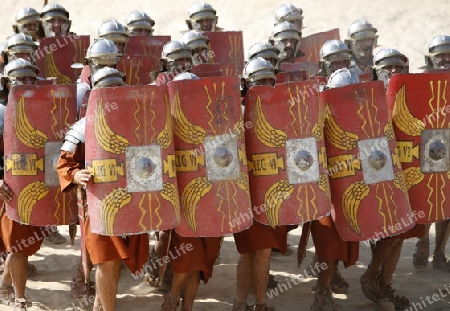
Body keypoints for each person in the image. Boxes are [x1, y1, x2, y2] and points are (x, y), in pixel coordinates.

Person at [57, 66, 149, 311]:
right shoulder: (83, 127)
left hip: (131, 203)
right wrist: (76, 174)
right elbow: (64, 163)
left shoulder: (140, 123)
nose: (114, 93)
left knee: (117, 262)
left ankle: (100, 304)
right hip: (98, 204)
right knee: (107, 261)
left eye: (117, 88)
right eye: (108, 89)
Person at [359, 48, 418, 310]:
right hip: (379, 170)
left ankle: (384, 283)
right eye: (388, 67)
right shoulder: (368, 97)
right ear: (377, 71)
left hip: (407, 169)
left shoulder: (412, 95)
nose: (394, 71)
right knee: (391, 230)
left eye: (398, 67)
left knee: (401, 232)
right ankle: (371, 275)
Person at [159, 71, 223, 311]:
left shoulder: (214, 121)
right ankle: (173, 296)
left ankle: (187, 307)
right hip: (182, 202)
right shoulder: (164, 121)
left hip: (210, 199)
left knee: (200, 261)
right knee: (186, 259)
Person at [0, 58, 53, 311]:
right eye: (19, 79)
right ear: (7, 83)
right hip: (8, 190)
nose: (25, 83)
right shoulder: (0, 114)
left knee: (24, 245)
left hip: (36, 187)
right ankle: (20, 297)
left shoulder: (47, 110)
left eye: (29, 78)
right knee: (17, 246)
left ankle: (3, 284)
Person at [231, 57, 283, 311]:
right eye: (259, 81)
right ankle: (250, 304)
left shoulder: (282, 110)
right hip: (245, 193)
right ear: (248, 84)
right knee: (253, 251)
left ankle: (245, 304)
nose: (265, 85)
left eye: (269, 80)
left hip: (271, 192)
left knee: (260, 251)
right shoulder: (238, 113)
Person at [310, 68, 360, 311]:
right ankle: (322, 290)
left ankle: (331, 278)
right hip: (325, 191)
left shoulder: (362, 116)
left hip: (349, 187)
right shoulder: (318, 116)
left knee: (342, 240)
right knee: (329, 243)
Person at [413, 35, 450, 271]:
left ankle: (439, 254)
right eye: (440, 56)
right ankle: (423, 243)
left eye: (449, 55)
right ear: (431, 59)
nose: (446, 59)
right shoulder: (420, 83)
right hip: (429, 146)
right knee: (428, 199)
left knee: (448, 206)